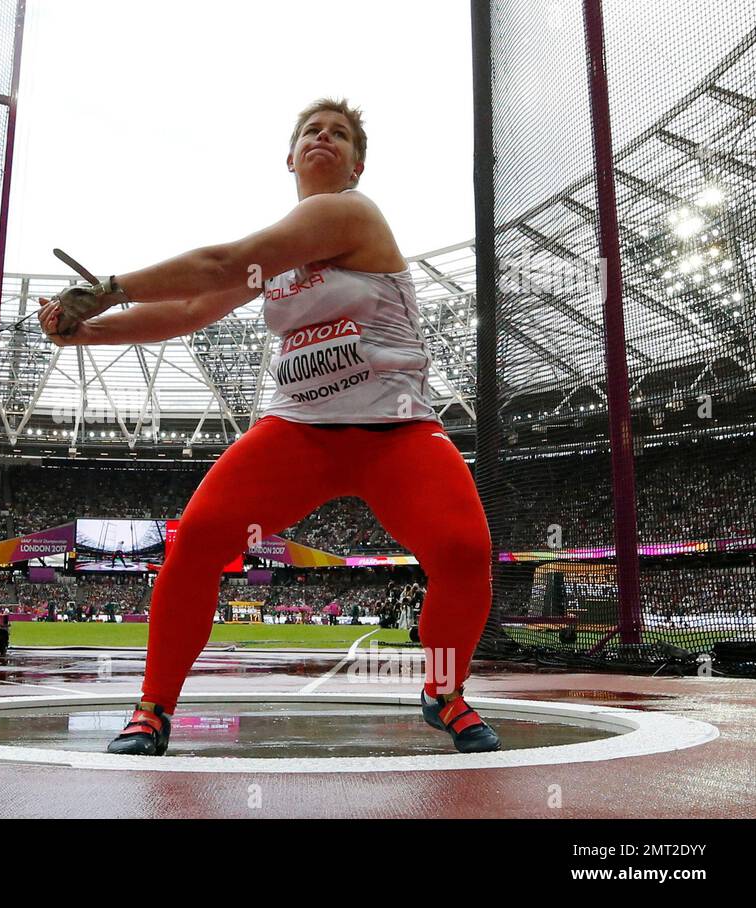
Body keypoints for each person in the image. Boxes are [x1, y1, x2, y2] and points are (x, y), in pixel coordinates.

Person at [39, 98, 498, 755]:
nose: (324, 138)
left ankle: (444, 692)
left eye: (339, 134)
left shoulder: (352, 214)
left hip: (395, 433)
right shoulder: (277, 262)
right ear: (290, 155)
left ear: (356, 166)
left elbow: (223, 261)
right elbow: (196, 306)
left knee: (464, 552)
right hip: (299, 433)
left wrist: (110, 286)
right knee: (196, 540)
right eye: (312, 130)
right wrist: (86, 333)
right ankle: (152, 708)